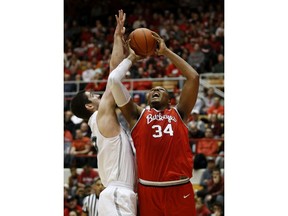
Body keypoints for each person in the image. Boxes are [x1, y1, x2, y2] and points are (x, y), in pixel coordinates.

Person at [107, 31, 199, 216]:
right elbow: (113, 80)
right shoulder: (136, 115)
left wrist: (166, 52)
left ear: (170, 100)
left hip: (179, 188)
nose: (155, 91)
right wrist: (132, 58)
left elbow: (193, 77)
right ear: (146, 97)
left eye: (161, 89)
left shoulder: (179, 113)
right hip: (148, 190)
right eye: (152, 90)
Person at [70, 10, 137, 215]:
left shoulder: (100, 120)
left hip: (123, 191)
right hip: (118, 192)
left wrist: (118, 38)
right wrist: (131, 57)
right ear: (90, 106)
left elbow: (112, 72)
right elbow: (113, 77)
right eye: (93, 96)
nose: (99, 96)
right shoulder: (101, 116)